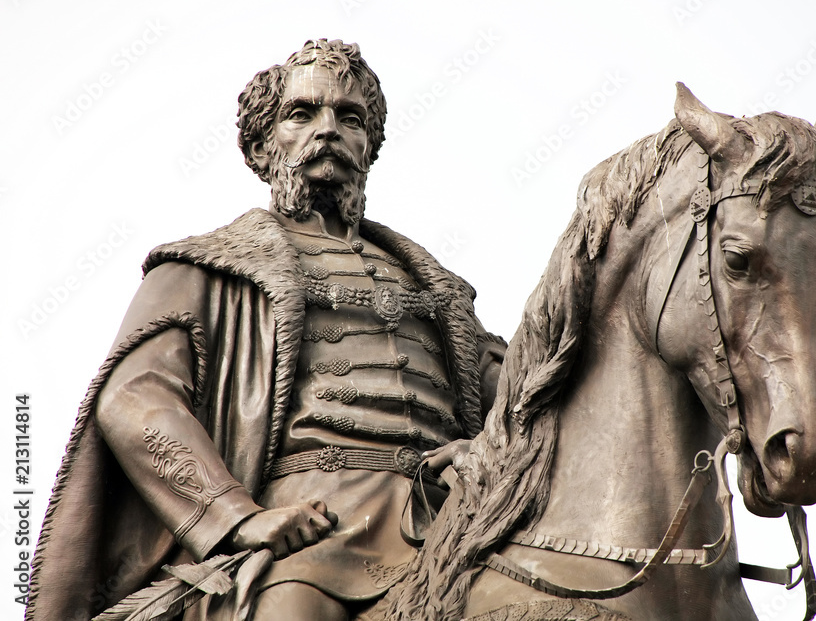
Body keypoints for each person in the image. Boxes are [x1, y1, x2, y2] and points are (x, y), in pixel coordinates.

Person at [26, 39, 505, 621]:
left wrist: (490, 443)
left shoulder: (435, 285)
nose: (328, 130)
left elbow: (523, 386)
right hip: (313, 529)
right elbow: (135, 397)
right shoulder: (205, 269)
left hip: (455, 511)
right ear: (261, 146)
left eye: (350, 118)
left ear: (369, 147)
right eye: (302, 114)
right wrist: (238, 518)